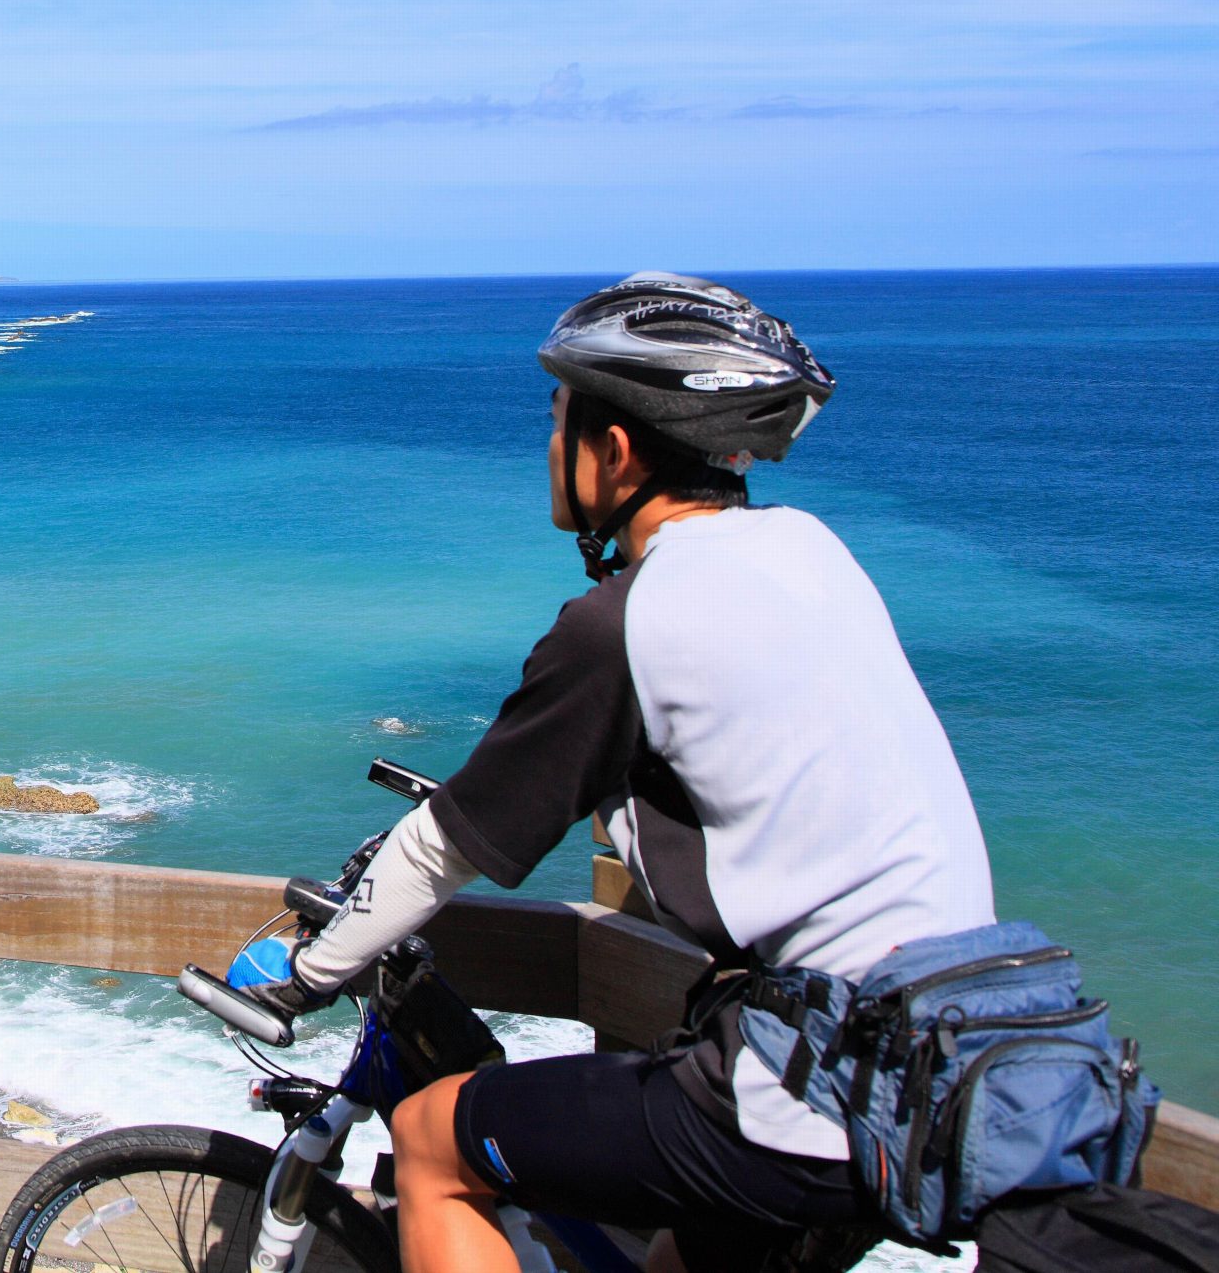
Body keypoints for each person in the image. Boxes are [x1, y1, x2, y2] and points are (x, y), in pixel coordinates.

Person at [235, 273, 997, 1273]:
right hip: (942, 1076)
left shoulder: (628, 620)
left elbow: (447, 846)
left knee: (427, 1141)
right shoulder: (813, 554)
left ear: (616, 450)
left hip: (800, 1094)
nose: (547, 450)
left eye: (558, 422)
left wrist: (306, 971)